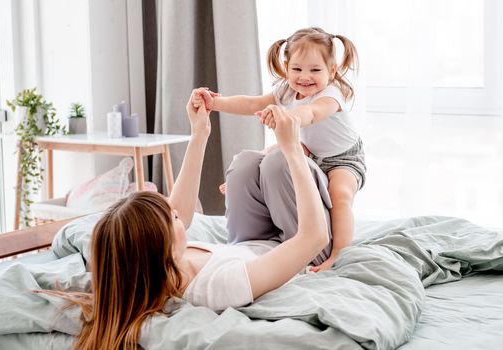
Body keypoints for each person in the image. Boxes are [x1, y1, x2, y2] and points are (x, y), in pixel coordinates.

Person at [42, 90, 330, 350]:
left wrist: (199, 133)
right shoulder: (218, 285)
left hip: (255, 239)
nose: (176, 210)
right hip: (301, 250)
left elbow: (180, 208)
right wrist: (292, 148)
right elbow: (313, 237)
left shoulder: (163, 265)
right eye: (172, 218)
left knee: (244, 164)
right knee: (278, 162)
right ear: (160, 248)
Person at [192, 27, 365, 272]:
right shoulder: (285, 90)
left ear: (332, 70)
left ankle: (338, 252)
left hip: (341, 158)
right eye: (297, 69)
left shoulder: (331, 94)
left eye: (315, 70)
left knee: (340, 195)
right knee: (268, 156)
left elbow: (312, 113)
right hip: (307, 149)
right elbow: (251, 103)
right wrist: (215, 103)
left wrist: (287, 117)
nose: (305, 77)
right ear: (286, 68)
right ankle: (238, 182)